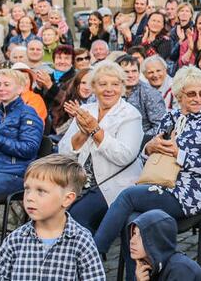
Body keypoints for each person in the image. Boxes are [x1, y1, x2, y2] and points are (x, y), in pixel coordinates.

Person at [93, 66, 201, 277]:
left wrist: (180, 155)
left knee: (127, 196)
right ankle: (135, 276)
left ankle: (93, 252)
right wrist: (149, 148)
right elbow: (149, 157)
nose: (199, 98)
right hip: (159, 183)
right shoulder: (170, 117)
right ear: (179, 95)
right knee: (132, 222)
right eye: (192, 93)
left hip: (191, 193)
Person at [0, 154, 106, 280]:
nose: (29, 197)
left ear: (67, 199)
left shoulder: (81, 241)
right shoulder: (15, 239)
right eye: (27, 189)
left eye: (41, 191)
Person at [59, 61, 144, 234]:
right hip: (81, 183)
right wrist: (83, 133)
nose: (109, 89)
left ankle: (87, 257)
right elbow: (64, 153)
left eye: (115, 84)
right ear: (93, 87)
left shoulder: (130, 114)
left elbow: (124, 156)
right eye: (102, 84)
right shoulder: (86, 110)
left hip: (113, 185)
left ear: (122, 87)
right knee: (49, 210)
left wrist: (95, 130)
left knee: (75, 218)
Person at [0, 69, 44, 202]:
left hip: (12, 173)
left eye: (7, 85)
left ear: (20, 89)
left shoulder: (28, 113)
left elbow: (29, 148)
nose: (1, 88)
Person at [129, 210, 201, 281]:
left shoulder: (180, 268)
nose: (132, 241)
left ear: (157, 240)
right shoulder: (144, 266)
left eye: (141, 236)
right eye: (134, 233)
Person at [118, 55, 167, 136]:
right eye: (126, 72)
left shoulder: (150, 93)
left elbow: (161, 126)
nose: (131, 75)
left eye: (134, 71)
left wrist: (138, 139)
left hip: (142, 142)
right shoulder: (112, 92)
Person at [49, 68, 92, 137]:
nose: (87, 88)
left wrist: (80, 116)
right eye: (83, 83)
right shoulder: (69, 99)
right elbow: (58, 131)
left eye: (91, 84)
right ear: (77, 83)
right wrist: (73, 118)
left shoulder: (97, 104)